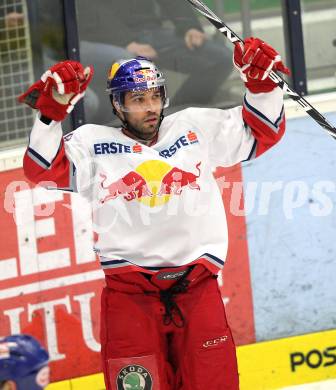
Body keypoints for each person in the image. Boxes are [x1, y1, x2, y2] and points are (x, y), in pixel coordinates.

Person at [18, 37, 289, 389]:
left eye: (155, 97)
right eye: (138, 100)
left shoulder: (193, 128)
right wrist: (49, 116)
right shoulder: (92, 143)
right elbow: (41, 170)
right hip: (130, 302)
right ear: (117, 104)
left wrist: (262, 87)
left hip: (198, 292)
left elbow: (262, 132)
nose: (150, 107)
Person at [77, 0, 234, 123]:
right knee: (133, 65)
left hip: (151, 31)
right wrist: (126, 41)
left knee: (221, 58)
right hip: (105, 36)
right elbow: (88, 7)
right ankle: (133, 129)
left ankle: (177, 117)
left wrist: (189, 26)